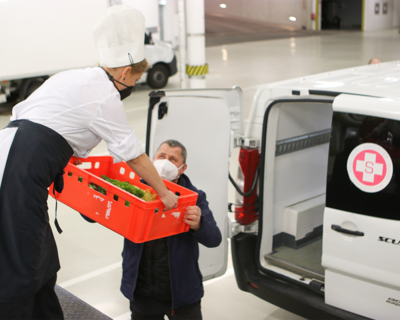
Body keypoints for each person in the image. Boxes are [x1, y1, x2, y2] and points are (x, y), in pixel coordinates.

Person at [0, 6, 178, 320]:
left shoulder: (76, 77)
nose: (131, 87)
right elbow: (134, 155)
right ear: (125, 73)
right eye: (133, 81)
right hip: (20, 172)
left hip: (13, 156)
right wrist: (164, 193)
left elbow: (30, 117)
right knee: (22, 261)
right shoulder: (105, 95)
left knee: (43, 254)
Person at [121, 140, 222, 320]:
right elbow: (94, 215)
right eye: (161, 156)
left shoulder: (194, 198)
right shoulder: (135, 190)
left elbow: (214, 239)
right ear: (152, 159)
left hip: (181, 296)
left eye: (173, 159)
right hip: (142, 292)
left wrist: (199, 224)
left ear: (182, 168)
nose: (165, 162)